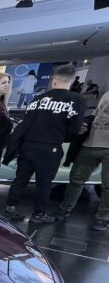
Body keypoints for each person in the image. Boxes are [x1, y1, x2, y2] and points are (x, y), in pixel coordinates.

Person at [3, 64, 86, 223]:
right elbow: (74, 128)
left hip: (28, 145)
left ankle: (11, 207)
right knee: (44, 183)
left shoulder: (37, 99)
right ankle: (38, 214)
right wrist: (66, 136)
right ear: (72, 80)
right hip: (50, 147)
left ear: (54, 79)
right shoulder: (77, 100)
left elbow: (26, 123)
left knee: (20, 179)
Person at [55, 91, 109, 231]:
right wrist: (85, 121)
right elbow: (96, 115)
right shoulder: (106, 94)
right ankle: (65, 209)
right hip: (90, 143)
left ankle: (103, 217)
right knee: (76, 179)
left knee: (107, 185)